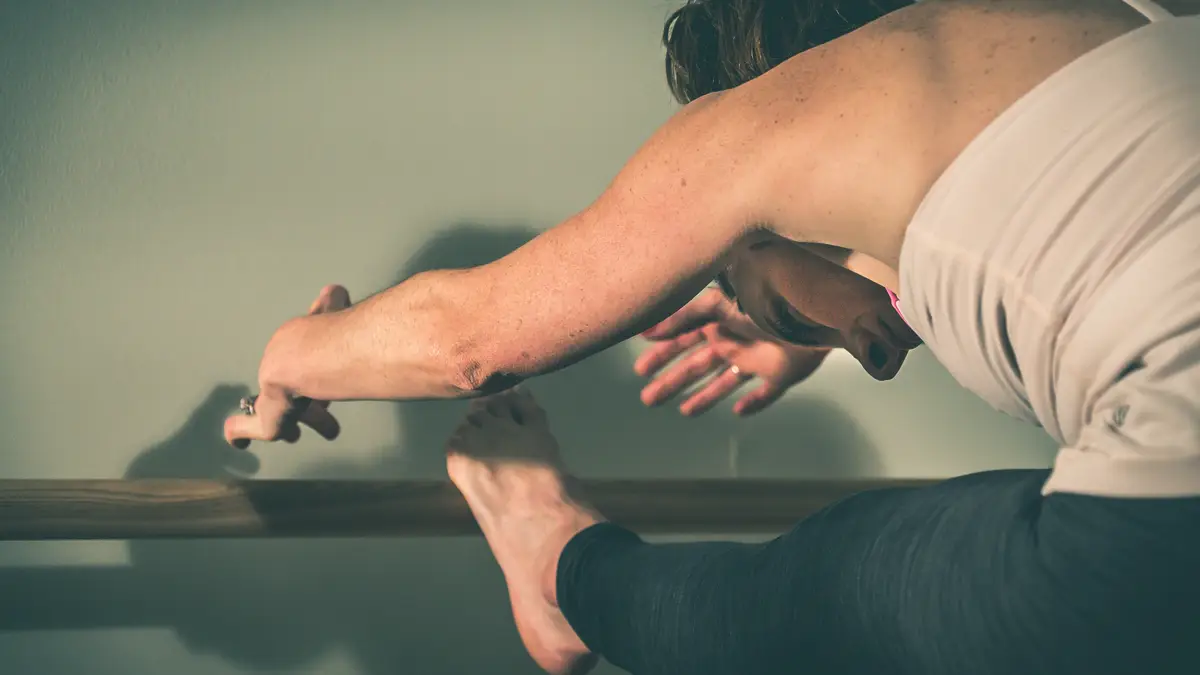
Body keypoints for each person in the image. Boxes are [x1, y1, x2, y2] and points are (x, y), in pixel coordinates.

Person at [225, 0, 1200, 672]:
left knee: (815, 599)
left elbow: (470, 343)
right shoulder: (1109, 25)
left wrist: (289, 359)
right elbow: (1074, 236)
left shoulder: (774, 113)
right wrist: (806, 322)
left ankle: (558, 557)